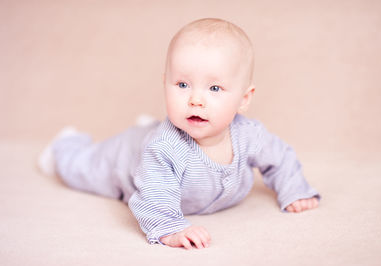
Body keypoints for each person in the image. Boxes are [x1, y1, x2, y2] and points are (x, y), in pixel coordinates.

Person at [38, 18, 320, 250]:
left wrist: (293, 190)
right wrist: (170, 229)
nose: (196, 100)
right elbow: (155, 195)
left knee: (149, 135)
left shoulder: (249, 135)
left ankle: (146, 125)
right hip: (126, 159)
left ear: (244, 99)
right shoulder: (164, 149)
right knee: (85, 168)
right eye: (182, 84)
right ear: (165, 85)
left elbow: (280, 158)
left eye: (214, 89)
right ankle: (64, 146)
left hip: (150, 139)